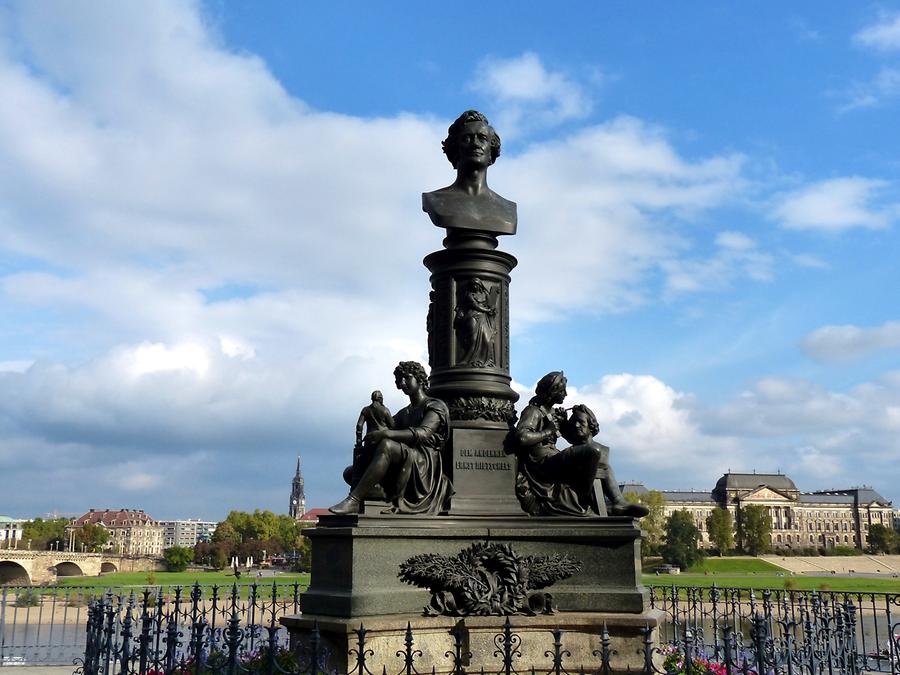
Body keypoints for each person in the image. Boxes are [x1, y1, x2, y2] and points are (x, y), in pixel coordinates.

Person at [513, 372, 647, 518]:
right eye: (562, 390)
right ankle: (583, 498)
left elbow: (572, 439)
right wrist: (548, 431)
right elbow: (522, 437)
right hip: (542, 464)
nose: (566, 393)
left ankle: (619, 502)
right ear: (553, 392)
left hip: (553, 458)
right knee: (593, 451)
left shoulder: (550, 412)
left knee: (603, 464)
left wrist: (563, 424)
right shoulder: (533, 411)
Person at [330, 361, 453, 515]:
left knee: (387, 445)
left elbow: (422, 433)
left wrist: (385, 434)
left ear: (419, 379)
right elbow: (386, 429)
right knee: (351, 473)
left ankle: (354, 500)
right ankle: (380, 496)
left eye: (407, 378)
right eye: (400, 380)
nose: (402, 383)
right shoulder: (405, 413)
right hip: (405, 458)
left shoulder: (435, 406)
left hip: (423, 461)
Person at [422, 110, 517, 236]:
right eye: (467, 138)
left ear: (491, 150)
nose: (475, 144)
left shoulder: (507, 208)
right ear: (455, 148)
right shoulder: (435, 200)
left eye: (482, 138)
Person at [562, 404, 649, 518]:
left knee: (606, 468)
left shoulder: (601, 450)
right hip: (576, 491)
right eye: (574, 423)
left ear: (591, 425)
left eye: (581, 422)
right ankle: (616, 503)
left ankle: (618, 502)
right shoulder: (573, 453)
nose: (576, 425)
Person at [454, 277, 496, 366]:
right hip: (472, 316)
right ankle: (467, 360)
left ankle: (485, 361)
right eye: (473, 285)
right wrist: (487, 310)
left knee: (487, 340)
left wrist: (492, 309)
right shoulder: (470, 295)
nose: (475, 287)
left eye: (476, 285)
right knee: (473, 339)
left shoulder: (485, 294)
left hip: (483, 318)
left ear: (480, 285)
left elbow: (491, 304)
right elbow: (475, 306)